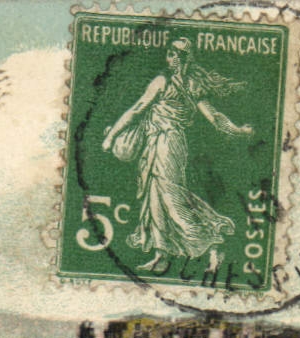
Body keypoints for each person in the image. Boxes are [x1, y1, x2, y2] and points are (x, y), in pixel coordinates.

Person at [102, 39, 254, 274]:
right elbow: (214, 117)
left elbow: (136, 110)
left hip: (167, 144)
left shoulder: (164, 83)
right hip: (160, 144)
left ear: (182, 57)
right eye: (169, 54)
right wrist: (237, 130)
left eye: (173, 54)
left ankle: (214, 244)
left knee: (171, 199)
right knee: (156, 198)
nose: (168, 59)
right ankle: (161, 255)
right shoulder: (190, 84)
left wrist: (111, 136)